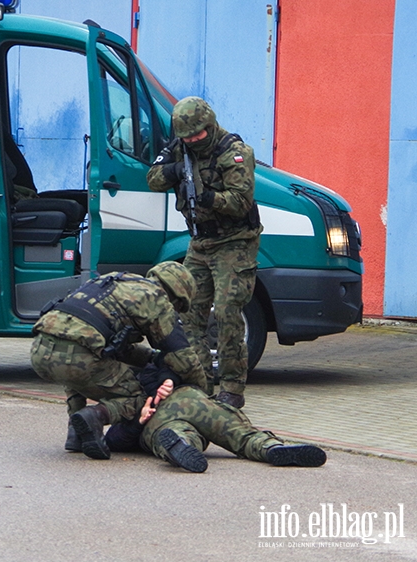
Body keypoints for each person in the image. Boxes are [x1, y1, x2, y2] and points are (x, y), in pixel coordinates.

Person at [146, 97, 263, 409]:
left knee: (226, 313)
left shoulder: (234, 152)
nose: (194, 141)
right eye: (188, 137)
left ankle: (232, 389)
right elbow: (153, 178)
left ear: (210, 125)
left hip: (235, 242)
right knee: (188, 314)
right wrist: (174, 171)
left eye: (198, 135)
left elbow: (240, 202)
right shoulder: (179, 148)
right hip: (200, 243)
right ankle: (199, 385)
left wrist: (209, 198)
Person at [30, 261, 209, 461]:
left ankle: (75, 432)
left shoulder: (112, 281)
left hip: (40, 350)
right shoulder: (157, 298)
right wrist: (201, 393)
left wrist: (150, 358)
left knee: (74, 367)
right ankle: (95, 417)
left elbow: (116, 347)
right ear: (176, 295)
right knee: (138, 398)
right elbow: (182, 356)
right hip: (78, 357)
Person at [104, 379, 327, 473]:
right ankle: (272, 449)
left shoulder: (125, 392)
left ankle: (178, 447)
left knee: (174, 436)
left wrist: (137, 422)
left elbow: (113, 440)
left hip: (161, 420)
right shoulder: (165, 356)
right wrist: (170, 381)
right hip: (192, 400)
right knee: (240, 434)